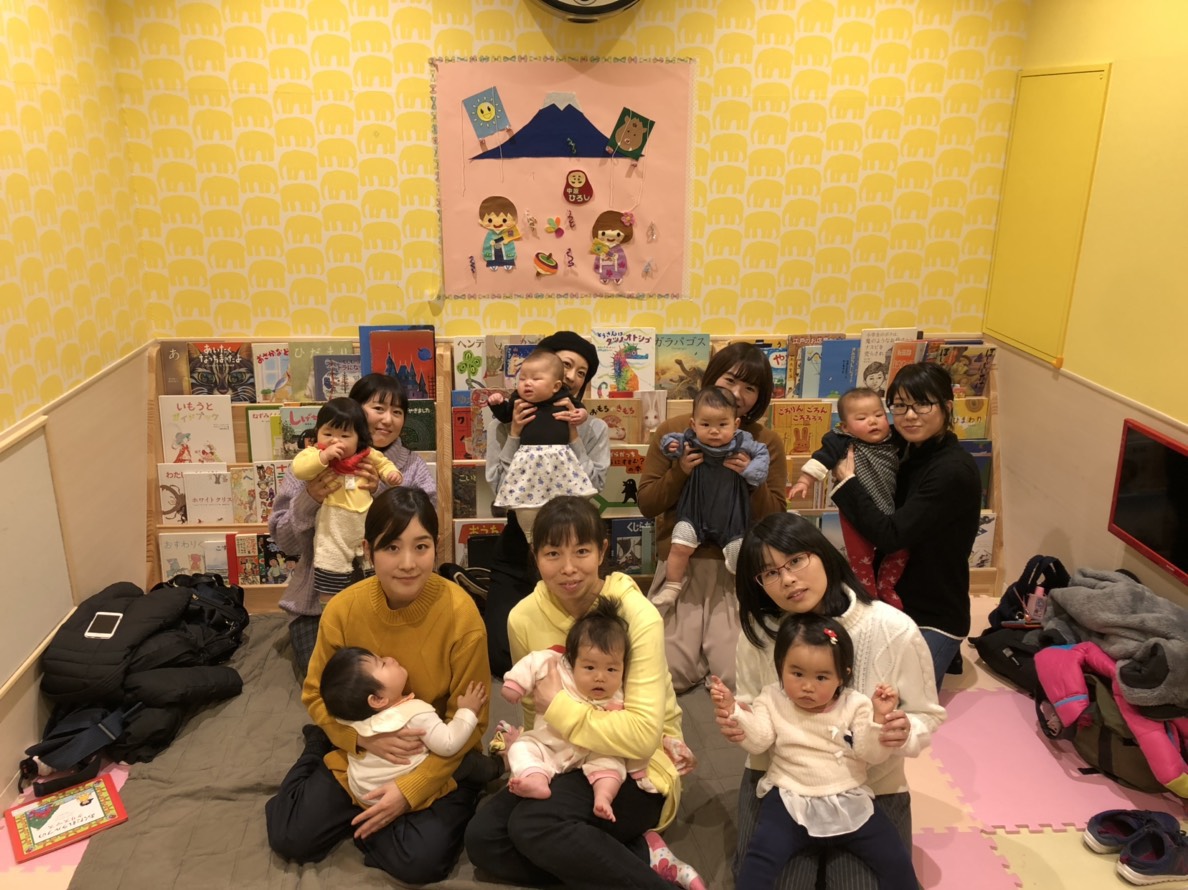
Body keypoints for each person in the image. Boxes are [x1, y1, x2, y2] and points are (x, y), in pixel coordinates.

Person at [465, 496, 705, 890]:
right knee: (484, 840)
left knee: (533, 825)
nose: (568, 568)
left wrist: (560, 708)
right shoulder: (523, 617)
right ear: (535, 556)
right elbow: (533, 712)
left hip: (635, 765)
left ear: (602, 551)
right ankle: (640, 855)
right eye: (553, 553)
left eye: (581, 551)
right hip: (562, 755)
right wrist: (528, 756)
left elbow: (643, 737)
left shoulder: (637, 616)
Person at [266, 487, 489, 885]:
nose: (408, 563)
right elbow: (315, 694)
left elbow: (472, 722)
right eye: (391, 548)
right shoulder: (343, 609)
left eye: (421, 547)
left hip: (435, 753)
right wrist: (358, 739)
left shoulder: (461, 614)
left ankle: (373, 813)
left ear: (435, 546)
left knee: (421, 864)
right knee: (290, 836)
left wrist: (409, 791)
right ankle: (318, 747)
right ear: (368, 550)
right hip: (359, 745)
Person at [719, 512, 945, 890]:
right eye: (770, 572)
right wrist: (736, 720)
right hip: (783, 782)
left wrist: (904, 731)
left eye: (796, 560)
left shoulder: (892, 629)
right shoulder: (760, 632)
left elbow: (926, 714)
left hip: (870, 786)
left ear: (822, 553)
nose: (787, 579)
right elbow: (750, 708)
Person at [710, 614, 917, 890]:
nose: (807, 686)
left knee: (895, 858)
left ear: (842, 676)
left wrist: (879, 718)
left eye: (821, 677)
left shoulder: (855, 704)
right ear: (780, 667)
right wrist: (733, 711)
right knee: (758, 862)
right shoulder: (772, 698)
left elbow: (870, 753)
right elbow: (759, 739)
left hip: (847, 800)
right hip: (788, 800)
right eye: (797, 674)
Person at [638, 341, 788, 692]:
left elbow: (775, 517)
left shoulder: (762, 443)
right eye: (729, 380)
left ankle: (715, 646)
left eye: (750, 388)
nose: (737, 393)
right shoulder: (675, 432)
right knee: (668, 675)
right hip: (681, 564)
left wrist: (751, 479)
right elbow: (647, 503)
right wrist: (680, 471)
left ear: (759, 398)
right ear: (711, 378)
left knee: (736, 678)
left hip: (735, 566)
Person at [272, 373, 437, 678]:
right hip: (317, 604)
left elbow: (426, 535)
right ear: (354, 410)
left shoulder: (412, 467)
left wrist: (381, 493)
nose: (387, 419)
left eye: (397, 411)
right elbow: (285, 543)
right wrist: (310, 499)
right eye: (378, 408)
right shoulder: (311, 464)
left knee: (402, 675)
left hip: (392, 601)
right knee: (332, 680)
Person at [830, 362, 983, 690]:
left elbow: (891, 535)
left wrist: (847, 483)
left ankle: (945, 649)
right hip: (888, 600)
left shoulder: (952, 471)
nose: (909, 416)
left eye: (922, 404)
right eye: (900, 405)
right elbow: (840, 435)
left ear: (947, 406)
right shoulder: (903, 446)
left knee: (895, 703)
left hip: (933, 612)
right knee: (834, 679)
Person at [484, 331, 610, 677]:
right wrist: (514, 434)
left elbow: (595, 487)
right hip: (520, 544)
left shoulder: (593, 427)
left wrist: (574, 437)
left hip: (574, 547)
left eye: (582, 373)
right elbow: (499, 488)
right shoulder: (505, 421)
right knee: (502, 656)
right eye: (567, 365)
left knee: (589, 649)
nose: (573, 376)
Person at [502, 597, 645, 822]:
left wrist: (639, 767)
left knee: (612, 765)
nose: (600, 677)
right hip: (551, 744)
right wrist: (515, 683)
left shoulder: (620, 695)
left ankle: (603, 797)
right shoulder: (559, 667)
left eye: (611, 669)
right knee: (522, 747)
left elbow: (631, 734)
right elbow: (534, 662)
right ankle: (537, 780)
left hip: (593, 750)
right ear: (571, 660)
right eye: (589, 667)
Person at [319, 645, 488, 807]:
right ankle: (498, 765)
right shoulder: (415, 713)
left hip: (361, 789)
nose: (390, 658)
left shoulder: (349, 715)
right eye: (382, 664)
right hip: (395, 792)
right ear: (377, 699)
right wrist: (467, 711)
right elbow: (448, 743)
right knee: (470, 763)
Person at [652, 386, 771, 608]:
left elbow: (762, 454)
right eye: (706, 425)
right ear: (693, 424)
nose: (714, 431)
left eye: (722, 425)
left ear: (736, 424)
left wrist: (750, 470)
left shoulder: (743, 442)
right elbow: (671, 443)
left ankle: (744, 594)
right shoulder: (690, 440)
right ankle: (672, 586)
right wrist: (671, 446)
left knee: (740, 556)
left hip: (732, 520)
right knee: (679, 545)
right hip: (694, 514)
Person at [789, 387, 907, 609]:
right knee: (860, 558)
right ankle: (868, 597)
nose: (873, 421)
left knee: (901, 550)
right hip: (854, 513)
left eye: (879, 415)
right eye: (862, 418)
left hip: (890, 509)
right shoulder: (841, 441)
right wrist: (804, 480)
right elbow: (822, 459)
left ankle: (887, 586)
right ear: (845, 427)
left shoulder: (896, 438)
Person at [292, 398, 404, 598]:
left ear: (359, 438)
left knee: (375, 565)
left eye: (345, 435)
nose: (335, 441)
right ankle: (330, 607)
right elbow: (300, 469)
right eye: (328, 434)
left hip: (365, 521)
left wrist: (391, 475)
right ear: (317, 433)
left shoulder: (366, 455)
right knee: (331, 564)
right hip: (333, 526)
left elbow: (384, 464)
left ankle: (376, 599)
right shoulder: (314, 454)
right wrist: (323, 457)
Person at [488, 350, 598, 543]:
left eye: (536, 378)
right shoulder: (518, 400)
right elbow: (505, 415)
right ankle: (530, 540)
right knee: (528, 515)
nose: (527, 383)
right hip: (527, 464)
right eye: (523, 378)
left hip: (560, 464)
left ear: (556, 385)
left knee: (566, 510)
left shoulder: (564, 399)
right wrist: (497, 404)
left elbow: (580, 409)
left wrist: (581, 415)